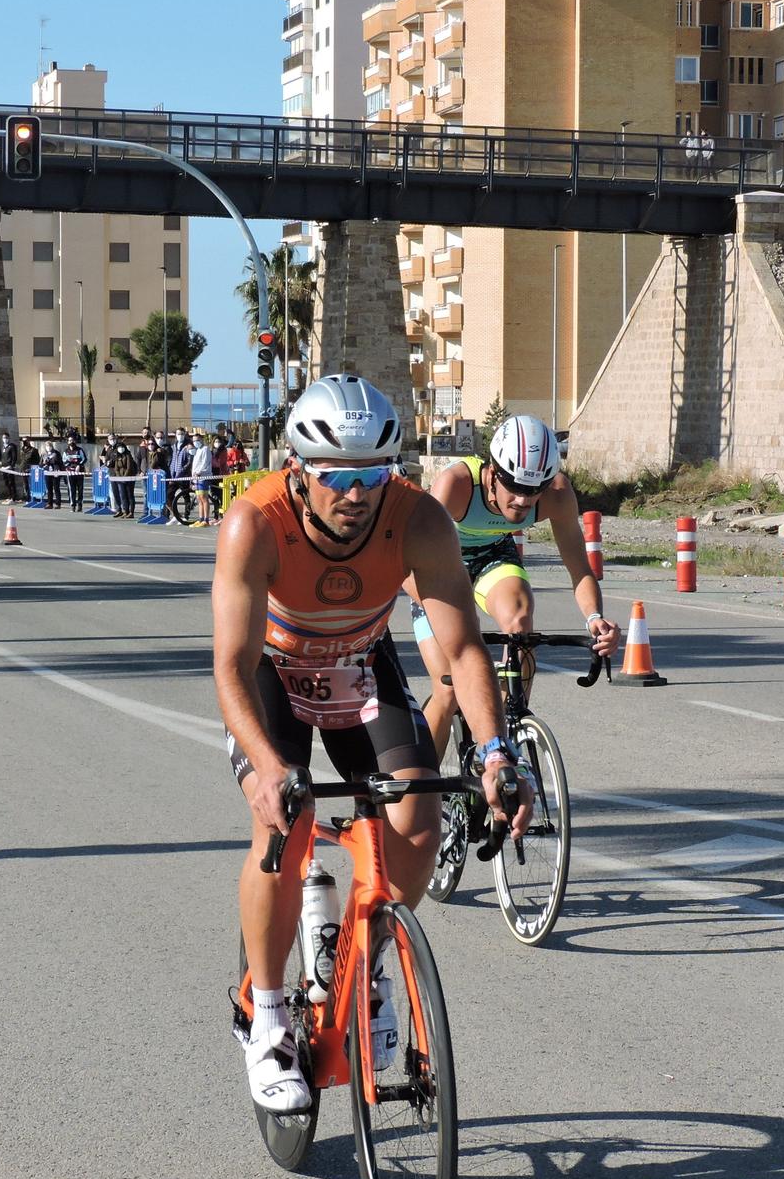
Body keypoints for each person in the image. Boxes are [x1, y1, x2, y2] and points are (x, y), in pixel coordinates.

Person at [212, 374, 532, 1112]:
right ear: (298, 470)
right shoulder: (253, 523)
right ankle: (265, 1016)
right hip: (274, 669)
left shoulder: (417, 520)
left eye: (373, 476)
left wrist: (493, 754)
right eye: (338, 479)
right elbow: (229, 667)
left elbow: (465, 650)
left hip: (358, 662)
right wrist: (266, 769)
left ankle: (366, 968)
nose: (357, 495)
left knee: (417, 817)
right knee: (282, 826)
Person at [404, 413, 618, 762]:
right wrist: (452, 616)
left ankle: (507, 727)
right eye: (514, 487)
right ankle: (419, 789)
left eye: (534, 490)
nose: (522, 500)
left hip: (491, 555)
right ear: (493, 472)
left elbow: (579, 568)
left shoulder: (558, 494)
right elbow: (405, 560)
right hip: (435, 567)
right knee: (449, 689)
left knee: (520, 622)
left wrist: (595, 618)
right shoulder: (456, 485)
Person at [190, 428, 215, 527]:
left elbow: (205, 463)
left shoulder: (205, 449)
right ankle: (200, 519)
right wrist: (193, 477)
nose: (195, 442)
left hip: (203, 477)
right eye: (194, 441)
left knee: (204, 498)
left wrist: (200, 472)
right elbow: (195, 465)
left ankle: (206, 520)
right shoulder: (197, 451)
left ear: (201, 440)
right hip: (196, 478)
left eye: (197, 440)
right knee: (199, 498)